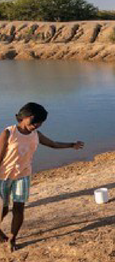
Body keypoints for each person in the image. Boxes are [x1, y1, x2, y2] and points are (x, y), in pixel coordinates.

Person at [0, 102, 84, 252]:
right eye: (35, 121)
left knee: (19, 209)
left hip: (23, 176)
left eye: (40, 123)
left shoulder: (36, 135)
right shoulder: (9, 133)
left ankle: (12, 238)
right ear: (24, 117)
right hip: (3, 176)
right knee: (3, 210)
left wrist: (72, 145)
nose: (37, 125)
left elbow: (53, 144)